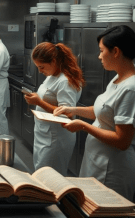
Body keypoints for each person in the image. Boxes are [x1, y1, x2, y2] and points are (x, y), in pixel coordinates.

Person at [54, 25, 135, 201]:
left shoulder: (130, 88)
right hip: (96, 159)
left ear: (116, 51)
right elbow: (102, 112)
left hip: (112, 166)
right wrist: (73, 110)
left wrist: (83, 126)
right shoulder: (117, 78)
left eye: (101, 51)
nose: (98, 56)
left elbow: (122, 141)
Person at [24, 42, 85, 176]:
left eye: (42, 67)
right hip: (44, 132)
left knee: (50, 177)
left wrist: (39, 101)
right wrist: (37, 98)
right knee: (40, 173)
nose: (40, 71)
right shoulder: (52, 76)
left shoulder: (64, 81)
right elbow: (48, 97)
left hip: (56, 138)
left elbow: (67, 114)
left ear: (53, 61)